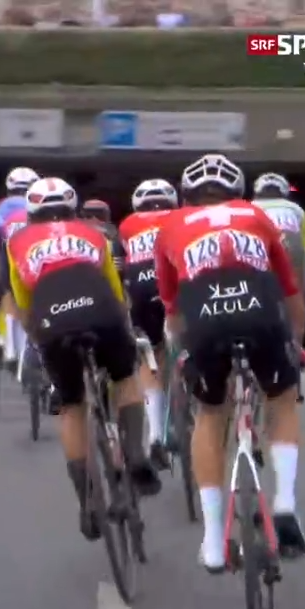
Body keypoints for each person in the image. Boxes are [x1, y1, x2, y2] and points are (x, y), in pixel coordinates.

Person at [154, 154, 305, 573]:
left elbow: (172, 310)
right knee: (281, 399)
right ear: (237, 193)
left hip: (206, 318)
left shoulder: (170, 226)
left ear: (188, 196)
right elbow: (291, 293)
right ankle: (285, 503)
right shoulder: (257, 216)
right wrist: (296, 346)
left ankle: (213, 543)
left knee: (210, 414)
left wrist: (180, 352)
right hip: (259, 311)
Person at [6, 177, 161, 541]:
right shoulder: (94, 234)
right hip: (99, 310)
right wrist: (124, 332)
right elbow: (115, 292)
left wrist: (41, 344)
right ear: (73, 209)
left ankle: (88, 502)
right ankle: (135, 455)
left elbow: (24, 303)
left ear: (31, 213)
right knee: (125, 376)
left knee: (72, 405)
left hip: (53, 319)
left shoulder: (17, 243)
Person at [118, 179, 179, 467]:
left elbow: (120, 268)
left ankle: (155, 434)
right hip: (176, 286)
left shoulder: (127, 225)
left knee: (150, 356)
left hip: (141, 291)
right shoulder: (182, 218)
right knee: (186, 343)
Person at [0, 167, 39, 373]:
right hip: (33, 249)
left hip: (8, 251)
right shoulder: (38, 202)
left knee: (9, 295)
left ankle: (10, 348)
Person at [251, 173, 305, 301]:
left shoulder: (251, 206)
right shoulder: (297, 209)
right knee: (295, 291)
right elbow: (304, 247)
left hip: (263, 245)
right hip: (292, 245)